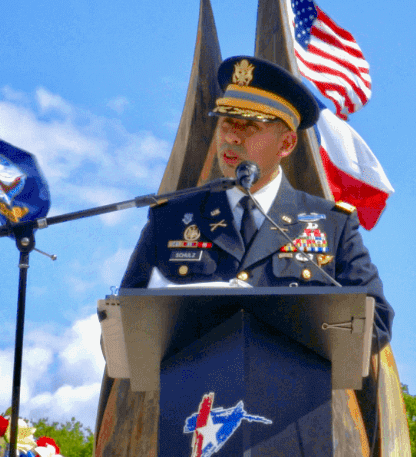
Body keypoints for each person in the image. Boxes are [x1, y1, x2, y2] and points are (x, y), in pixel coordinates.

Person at [119, 55, 393, 349]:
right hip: (192, 391)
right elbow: (121, 324)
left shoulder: (332, 225)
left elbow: (374, 323)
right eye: (226, 123)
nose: (232, 137)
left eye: (249, 126)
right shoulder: (172, 218)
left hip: (296, 390)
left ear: (286, 143)